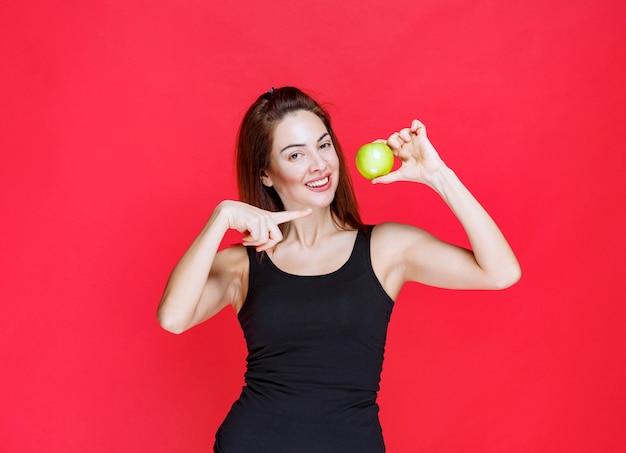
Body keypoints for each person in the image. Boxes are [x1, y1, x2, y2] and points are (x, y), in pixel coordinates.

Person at [157, 86, 521, 452]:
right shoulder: (244, 263)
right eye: (296, 154)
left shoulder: (385, 248)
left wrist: (438, 175)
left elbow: (501, 273)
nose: (319, 164)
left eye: (324, 145)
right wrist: (220, 218)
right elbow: (173, 318)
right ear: (266, 174)